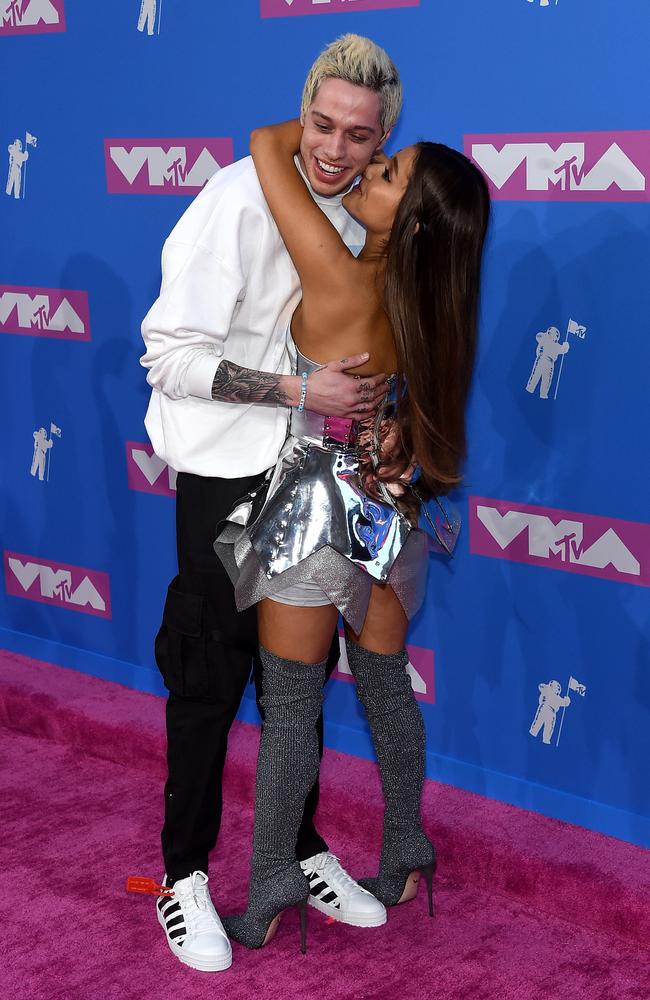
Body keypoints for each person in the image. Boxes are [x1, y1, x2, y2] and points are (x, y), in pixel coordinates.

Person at [140, 34, 402, 973]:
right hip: (225, 479)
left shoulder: (373, 215)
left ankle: (294, 849)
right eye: (322, 125)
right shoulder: (235, 197)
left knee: (294, 687)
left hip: (313, 484)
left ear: (383, 140)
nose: (335, 149)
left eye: (359, 135)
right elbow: (166, 352)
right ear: (301, 113)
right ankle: (184, 876)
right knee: (209, 675)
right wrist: (297, 393)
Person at [215, 119, 490, 951]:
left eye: (385, 166)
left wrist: (323, 122)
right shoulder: (434, 308)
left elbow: (266, 147)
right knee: (383, 686)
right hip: (395, 521)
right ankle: (406, 846)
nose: (363, 163)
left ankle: (270, 887)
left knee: (292, 704)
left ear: (411, 223)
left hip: (315, 512)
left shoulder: (338, 277)